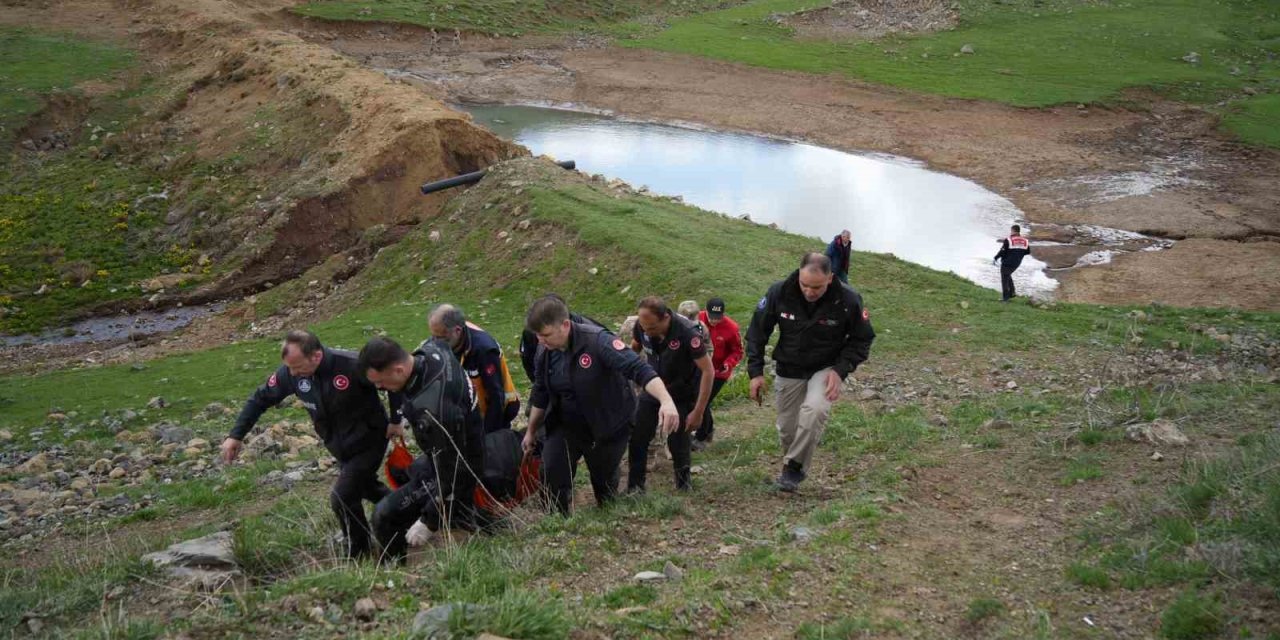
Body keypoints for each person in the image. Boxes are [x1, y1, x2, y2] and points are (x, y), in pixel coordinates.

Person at [221, 330, 397, 559]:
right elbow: (260, 399)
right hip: (337, 444)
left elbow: (393, 383)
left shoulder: (351, 365)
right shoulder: (292, 374)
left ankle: (360, 553)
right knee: (364, 487)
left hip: (369, 440)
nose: (293, 374)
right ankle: (404, 510)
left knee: (343, 497)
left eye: (297, 367)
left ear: (316, 356)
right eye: (289, 368)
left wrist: (396, 419)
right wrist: (236, 436)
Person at [522, 294, 680, 514]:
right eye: (538, 336)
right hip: (567, 422)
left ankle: (607, 513)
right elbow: (540, 392)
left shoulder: (598, 341)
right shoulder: (544, 351)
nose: (541, 341)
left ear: (565, 325)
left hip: (606, 423)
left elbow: (639, 370)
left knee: (603, 481)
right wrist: (531, 431)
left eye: (546, 335)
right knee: (552, 472)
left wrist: (666, 400)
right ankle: (557, 522)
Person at [746, 253, 875, 492]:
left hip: (826, 367)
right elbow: (757, 332)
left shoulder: (848, 299)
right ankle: (792, 464)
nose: (809, 291)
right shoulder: (779, 292)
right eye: (804, 285)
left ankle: (793, 469)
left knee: (814, 411)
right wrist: (755, 372)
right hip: (789, 366)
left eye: (816, 287)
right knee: (788, 429)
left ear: (830, 278)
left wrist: (840, 370)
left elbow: (862, 339)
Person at [359, 337, 484, 563]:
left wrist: (429, 520)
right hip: (461, 445)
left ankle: (394, 575)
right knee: (407, 472)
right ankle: (465, 518)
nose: (379, 388)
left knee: (384, 515)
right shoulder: (433, 349)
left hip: (461, 465)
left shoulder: (435, 409)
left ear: (398, 369)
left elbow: (453, 470)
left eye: (381, 382)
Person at [627, 297, 715, 493]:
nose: (647, 331)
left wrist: (699, 411)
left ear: (666, 317)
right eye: (644, 327)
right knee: (638, 436)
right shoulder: (642, 327)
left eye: (651, 327)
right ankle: (635, 487)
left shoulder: (687, 333)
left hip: (681, 392)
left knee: (678, 441)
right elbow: (633, 350)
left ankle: (684, 486)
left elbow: (708, 371)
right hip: (652, 386)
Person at [428, 304, 520, 433]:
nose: (435, 343)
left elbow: (496, 398)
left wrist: (488, 434)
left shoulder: (484, 350)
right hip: (469, 414)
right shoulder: (448, 340)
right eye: (433, 336)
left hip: (494, 413)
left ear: (457, 330)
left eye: (441, 338)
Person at [518, 296, 605, 384]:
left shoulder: (594, 335)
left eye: (546, 335)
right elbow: (528, 360)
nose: (541, 340)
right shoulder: (531, 334)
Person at [693, 297, 743, 449]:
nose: (714, 321)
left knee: (704, 400)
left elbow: (738, 351)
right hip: (699, 369)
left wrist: (728, 364)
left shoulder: (731, 328)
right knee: (698, 398)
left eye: (718, 318)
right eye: (711, 318)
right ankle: (707, 431)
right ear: (705, 312)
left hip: (718, 372)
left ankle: (701, 437)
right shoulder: (696, 319)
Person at [993, 223, 1031, 302]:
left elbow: (1002, 251)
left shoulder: (1009, 240)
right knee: (1007, 275)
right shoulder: (1025, 241)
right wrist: (1018, 254)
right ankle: (1012, 292)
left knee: (1004, 279)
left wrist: (996, 257)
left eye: (1011, 231)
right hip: (1017, 263)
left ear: (1013, 230)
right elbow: (1027, 252)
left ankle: (1005, 298)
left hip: (1007, 262)